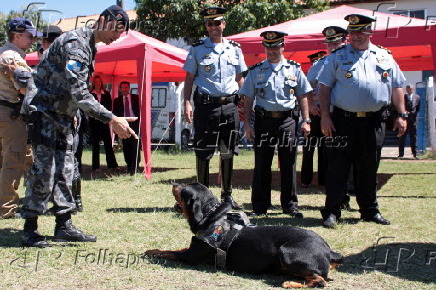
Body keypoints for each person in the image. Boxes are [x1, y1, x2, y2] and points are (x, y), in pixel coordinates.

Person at [20, 5, 137, 247]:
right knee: (45, 170)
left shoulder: (88, 44)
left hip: (62, 114)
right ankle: (30, 228)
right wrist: (111, 118)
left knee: (66, 169)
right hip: (45, 112)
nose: (118, 36)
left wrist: (72, 112)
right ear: (103, 21)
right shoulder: (77, 43)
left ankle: (64, 224)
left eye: (122, 32)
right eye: (117, 29)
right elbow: (80, 91)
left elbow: (71, 90)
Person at [318, 14, 408, 228]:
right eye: (352, 32)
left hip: (374, 121)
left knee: (369, 167)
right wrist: (325, 116)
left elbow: (397, 87)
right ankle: (332, 211)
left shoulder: (385, 56)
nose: (355, 36)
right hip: (342, 121)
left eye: (360, 32)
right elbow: (324, 88)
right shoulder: (336, 57)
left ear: (369, 32)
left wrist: (402, 114)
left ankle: (369, 210)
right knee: (338, 168)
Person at [241, 31, 312, 217]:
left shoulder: (294, 69)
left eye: (275, 46)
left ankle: (290, 206)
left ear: (283, 47)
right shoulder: (256, 71)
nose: (271, 50)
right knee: (262, 163)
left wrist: (306, 120)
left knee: (288, 163)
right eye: (268, 46)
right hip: (263, 121)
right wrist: (246, 124)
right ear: (264, 48)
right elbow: (248, 98)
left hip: (287, 120)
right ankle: (259, 206)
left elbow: (303, 95)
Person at [183, 7, 246, 210]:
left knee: (228, 152)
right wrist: (186, 102)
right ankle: (203, 198)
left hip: (230, 106)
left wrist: (244, 99)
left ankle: (227, 196)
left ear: (223, 24)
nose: (213, 27)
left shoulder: (235, 49)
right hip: (206, 108)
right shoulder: (197, 49)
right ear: (206, 26)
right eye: (209, 23)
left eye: (217, 23)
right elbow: (189, 78)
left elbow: (240, 77)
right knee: (203, 152)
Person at [0, 17, 39, 219]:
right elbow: (25, 88)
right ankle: (7, 209)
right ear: (17, 35)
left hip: (6, 113)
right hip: (10, 113)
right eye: (29, 36)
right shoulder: (11, 57)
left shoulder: (5, 53)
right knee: (14, 160)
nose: (32, 40)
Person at [89, 75, 119, 171]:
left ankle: (112, 165)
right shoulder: (90, 94)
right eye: (96, 82)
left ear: (101, 83)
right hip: (94, 123)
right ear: (93, 83)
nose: (98, 83)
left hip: (104, 122)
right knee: (95, 145)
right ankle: (95, 166)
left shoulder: (106, 94)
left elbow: (110, 107)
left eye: (99, 81)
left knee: (108, 144)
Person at [113, 81, 141, 175]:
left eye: (126, 87)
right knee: (126, 146)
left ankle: (135, 166)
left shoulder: (136, 98)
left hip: (135, 123)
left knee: (135, 145)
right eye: (123, 87)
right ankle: (129, 166)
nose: (125, 89)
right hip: (124, 124)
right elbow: (115, 114)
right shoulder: (117, 100)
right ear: (120, 89)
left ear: (129, 88)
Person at [398, 84, 420, 159]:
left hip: (413, 120)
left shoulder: (417, 97)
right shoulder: (403, 97)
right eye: (408, 89)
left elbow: (418, 108)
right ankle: (401, 154)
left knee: (413, 137)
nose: (409, 90)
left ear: (413, 89)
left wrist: (414, 115)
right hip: (405, 119)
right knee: (402, 137)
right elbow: (400, 107)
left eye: (410, 89)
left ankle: (415, 153)